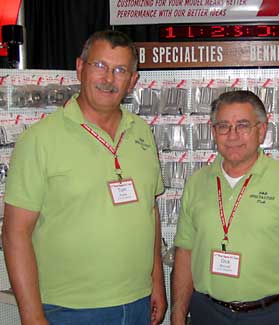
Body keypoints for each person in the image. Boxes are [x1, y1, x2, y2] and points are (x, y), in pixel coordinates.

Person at [1, 30, 167, 325]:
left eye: (120, 70)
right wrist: (31, 316)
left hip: (138, 302)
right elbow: (15, 233)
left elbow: (149, 211)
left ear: (132, 81)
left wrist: (156, 280)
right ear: (80, 67)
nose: (108, 78)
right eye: (99, 66)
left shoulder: (141, 132)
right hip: (68, 310)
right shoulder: (40, 140)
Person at [171, 90, 279, 325]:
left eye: (243, 125)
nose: (232, 135)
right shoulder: (197, 182)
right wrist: (178, 317)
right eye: (223, 126)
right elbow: (184, 254)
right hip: (207, 313)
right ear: (213, 132)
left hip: (272, 314)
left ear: (262, 130)